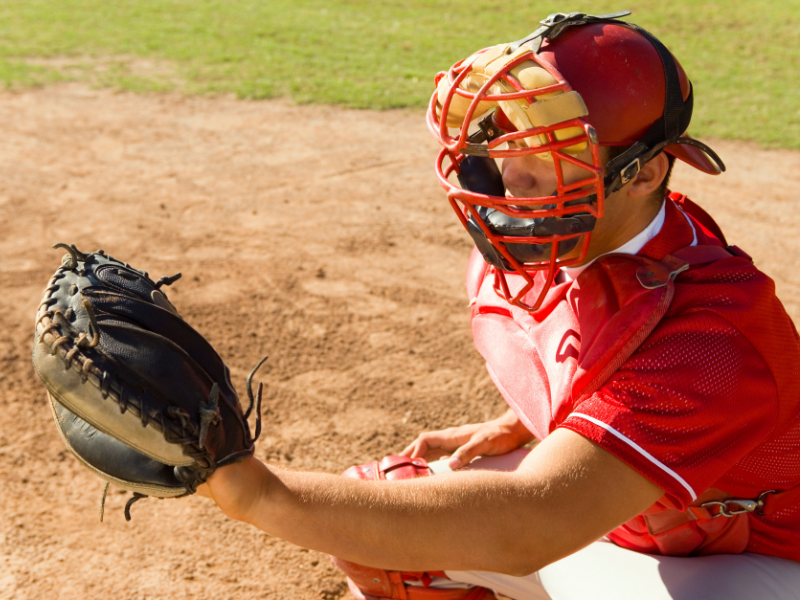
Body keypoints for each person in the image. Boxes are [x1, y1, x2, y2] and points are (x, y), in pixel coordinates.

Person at [198, 12, 800, 599]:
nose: (511, 183)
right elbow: (598, 340)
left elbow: (529, 524)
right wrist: (534, 424)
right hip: (649, 524)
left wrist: (257, 493)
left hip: (756, 560)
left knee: (461, 527)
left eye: (550, 156)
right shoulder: (552, 242)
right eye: (509, 143)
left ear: (643, 175)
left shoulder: (714, 338)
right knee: (390, 542)